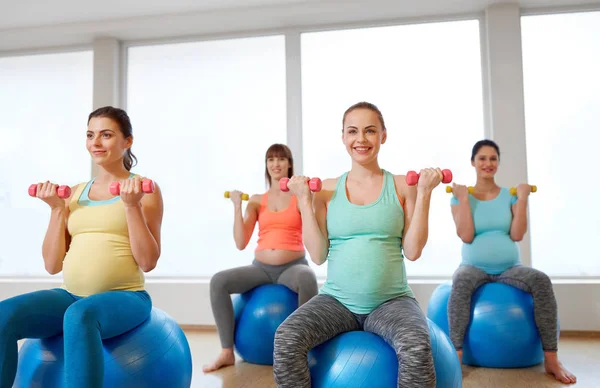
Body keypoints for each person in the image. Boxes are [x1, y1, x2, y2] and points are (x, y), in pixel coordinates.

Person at [272, 102, 441, 388]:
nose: (361, 139)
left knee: (416, 343)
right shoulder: (325, 190)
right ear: (343, 137)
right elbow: (317, 254)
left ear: (383, 136)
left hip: (391, 301)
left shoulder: (403, 186)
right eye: (353, 131)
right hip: (337, 301)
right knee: (286, 337)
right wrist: (304, 200)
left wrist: (424, 193)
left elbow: (412, 251)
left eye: (370, 131)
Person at [0, 106, 163, 388]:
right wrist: (56, 210)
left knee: (79, 316)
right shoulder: (75, 193)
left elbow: (148, 261)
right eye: (90, 135)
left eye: (106, 134)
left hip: (127, 297)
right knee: (5, 314)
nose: (95, 143)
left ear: (128, 141)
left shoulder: (143, 190)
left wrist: (131, 206)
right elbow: (52, 265)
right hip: (71, 295)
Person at [447, 139, 576, 384]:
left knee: (541, 280)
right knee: (460, 281)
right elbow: (466, 235)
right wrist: (463, 199)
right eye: (482, 158)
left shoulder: (510, 196)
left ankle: (551, 358)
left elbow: (517, 235)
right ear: (473, 162)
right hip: (473, 267)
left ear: (498, 163)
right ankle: (456, 356)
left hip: (509, 267)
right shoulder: (460, 197)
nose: (488, 163)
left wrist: (523, 200)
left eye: (493, 158)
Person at [202, 143, 318, 373]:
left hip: (292, 268)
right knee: (219, 281)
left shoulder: (300, 197)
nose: (276, 164)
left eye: (281, 159)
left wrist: (305, 197)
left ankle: (306, 349)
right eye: (271, 159)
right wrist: (237, 206)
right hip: (260, 269)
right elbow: (240, 241)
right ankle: (226, 351)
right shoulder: (256, 200)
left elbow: (313, 231)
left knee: (307, 277)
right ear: (266, 165)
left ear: (289, 164)